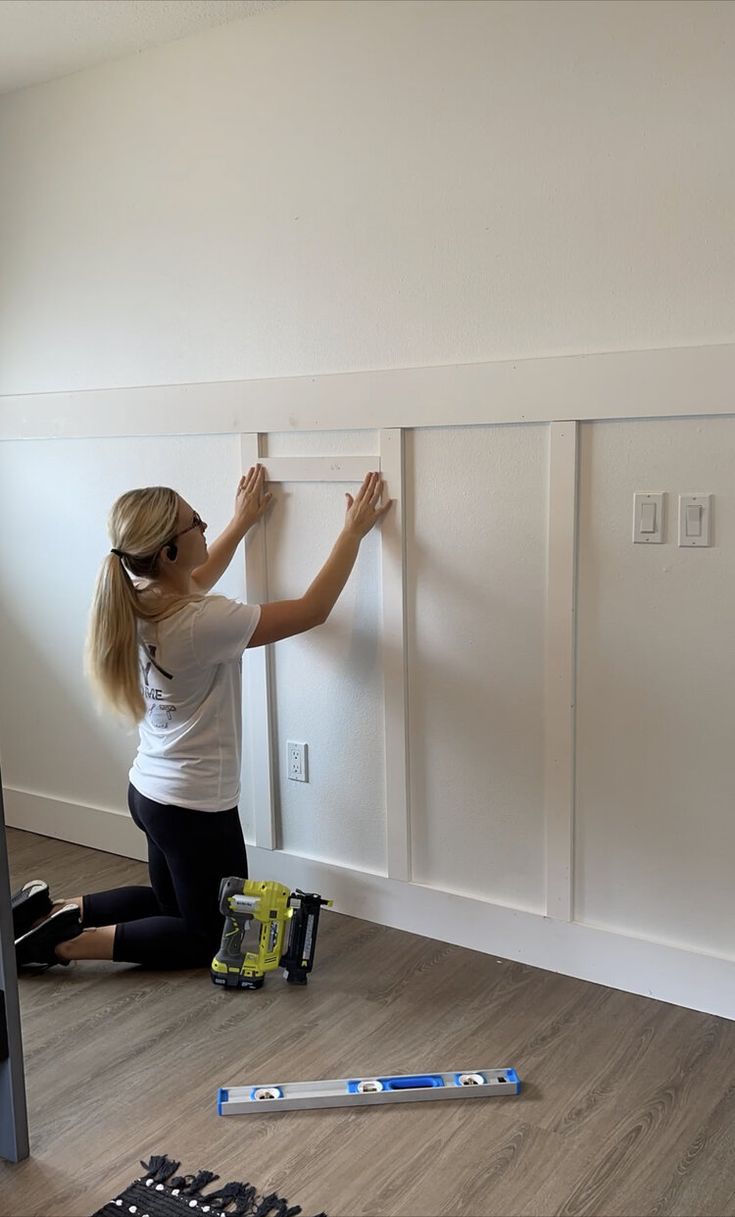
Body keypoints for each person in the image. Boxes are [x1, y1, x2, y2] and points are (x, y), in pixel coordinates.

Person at [14, 465, 391, 972]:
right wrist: (352, 533)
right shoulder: (203, 621)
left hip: (149, 792)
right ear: (168, 552)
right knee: (207, 933)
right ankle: (62, 945)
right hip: (194, 809)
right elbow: (313, 610)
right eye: (198, 524)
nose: (206, 528)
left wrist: (240, 523)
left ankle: (56, 911)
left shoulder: (138, 600)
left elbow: (194, 578)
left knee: (169, 903)